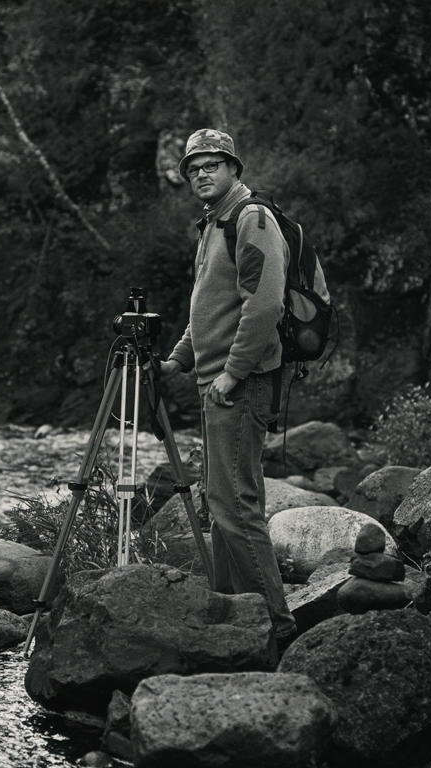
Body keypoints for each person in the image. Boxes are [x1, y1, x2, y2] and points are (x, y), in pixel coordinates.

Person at [161, 128, 297, 652]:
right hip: (216, 382)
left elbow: (264, 306)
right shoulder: (213, 225)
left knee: (237, 506)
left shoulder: (251, 219)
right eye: (193, 167)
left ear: (234, 169)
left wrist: (233, 372)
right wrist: (177, 359)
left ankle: (276, 627)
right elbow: (208, 309)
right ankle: (229, 614)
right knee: (220, 504)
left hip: (239, 385)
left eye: (212, 164)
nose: (201, 173)